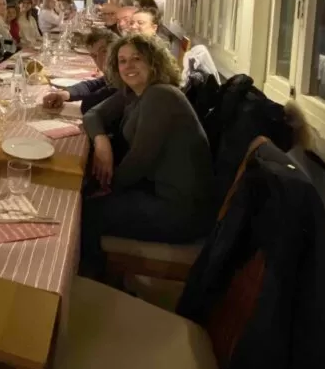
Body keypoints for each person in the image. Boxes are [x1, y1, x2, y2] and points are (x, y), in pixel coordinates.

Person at [79, 34, 216, 279]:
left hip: (179, 210)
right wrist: (101, 142)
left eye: (136, 59)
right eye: (122, 61)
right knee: (85, 198)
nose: (128, 66)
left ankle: (97, 281)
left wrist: (105, 185)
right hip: (155, 192)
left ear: (153, 62)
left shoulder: (161, 96)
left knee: (84, 213)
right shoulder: (134, 92)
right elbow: (92, 115)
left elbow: (138, 164)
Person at [43, 28, 117, 114]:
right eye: (94, 55)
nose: (100, 59)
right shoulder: (113, 74)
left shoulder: (123, 79)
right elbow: (91, 85)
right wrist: (65, 94)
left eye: (104, 51)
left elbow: (88, 105)